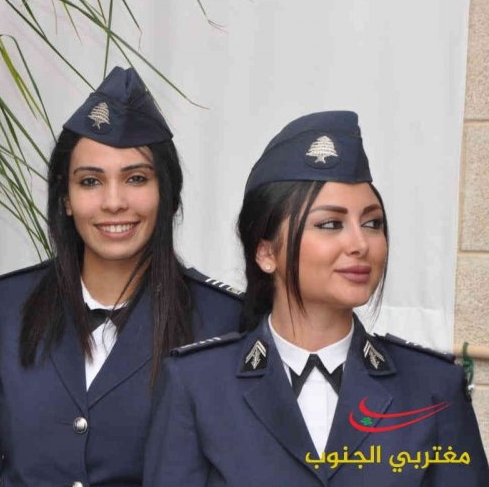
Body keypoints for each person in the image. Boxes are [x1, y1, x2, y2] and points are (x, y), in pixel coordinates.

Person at [144, 110, 489, 486]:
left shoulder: (433, 387)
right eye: (330, 224)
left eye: (372, 223)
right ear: (266, 252)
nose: (360, 244)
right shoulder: (197, 385)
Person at [0, 66, 242, 487]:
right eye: (91, 181)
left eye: (136, 178)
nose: (114, 202)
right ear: (66, 198)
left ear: (168, 195)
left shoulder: (221, 320)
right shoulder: (7, 307)